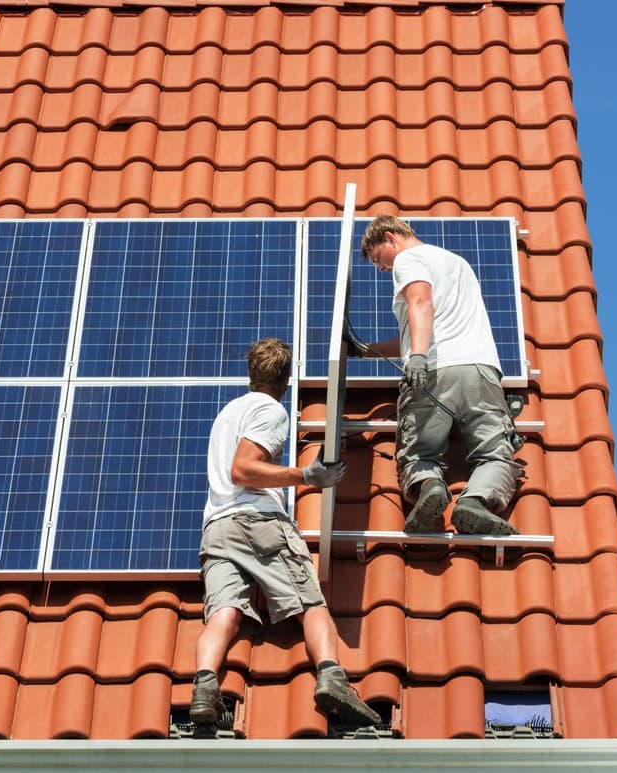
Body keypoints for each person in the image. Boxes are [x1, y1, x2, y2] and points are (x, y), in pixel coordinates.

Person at [190, 337, 380, 729]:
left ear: (251, 373)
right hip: (256, 523)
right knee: (311, 603)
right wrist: (305, 477)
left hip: (217, 528)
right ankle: (332, 678)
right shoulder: (270, 410)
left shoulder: (227, 413)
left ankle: (204, 688)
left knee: (224, 612)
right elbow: (243, 469)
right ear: (286, 378)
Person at [353, 214, 522, 536]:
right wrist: (367, 350)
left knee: (420, 451)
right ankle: (476, 501)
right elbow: (422, 325)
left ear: (390, 237)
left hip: (434, 371)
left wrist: (417, 357)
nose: (380, 268)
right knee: (494, 452)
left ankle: (429, 486)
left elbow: (421, 302)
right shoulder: (456, 262)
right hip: (480, 370)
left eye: (378, 258)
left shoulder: (409, 258)